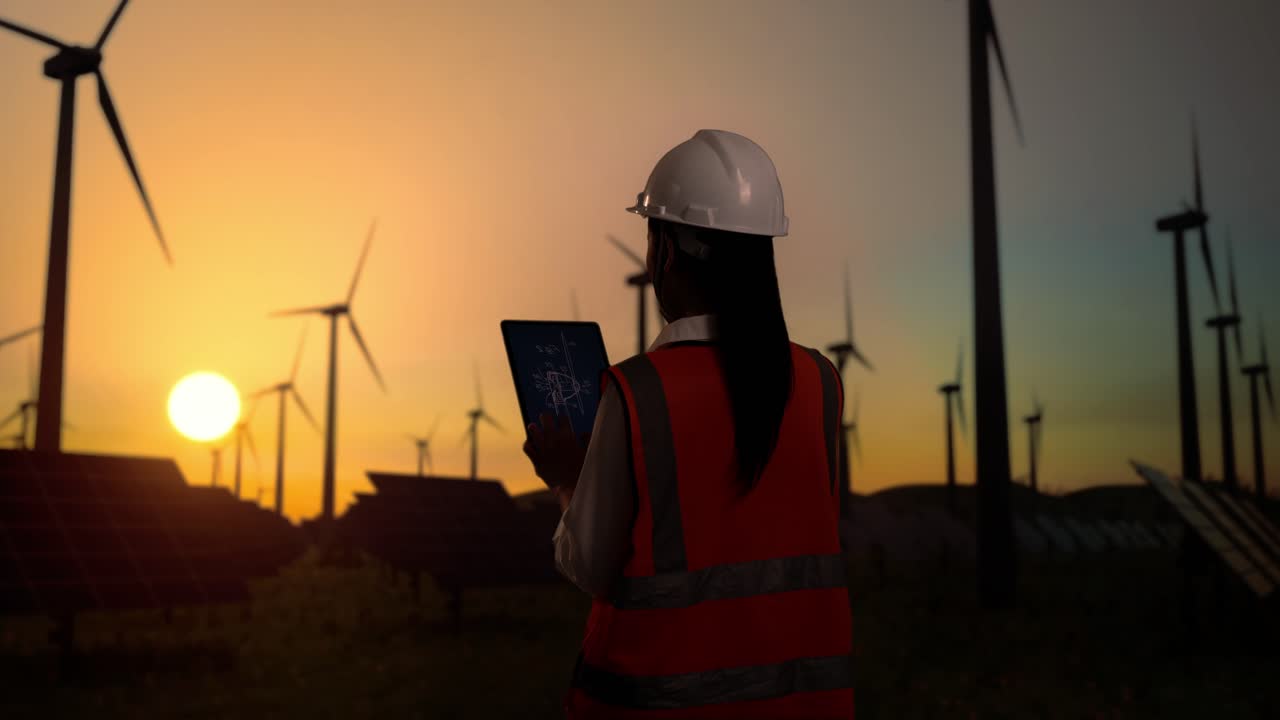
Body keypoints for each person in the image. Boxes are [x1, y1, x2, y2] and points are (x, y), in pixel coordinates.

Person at [523, 129, 853, 719]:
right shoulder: (822, 382)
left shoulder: (639, 392)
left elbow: (590, 565)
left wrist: (567, 480)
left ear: (665, 251)